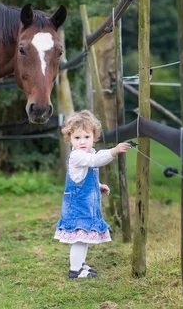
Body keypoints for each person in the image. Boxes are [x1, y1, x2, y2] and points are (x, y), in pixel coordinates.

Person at [54, 110, 132, 279]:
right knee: (80, 239)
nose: (82, 142)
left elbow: (84, 177)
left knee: (85, 237)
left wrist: (98, 186)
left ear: (94, 136)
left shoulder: (89, 153)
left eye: (86, 137)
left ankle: (80, 265)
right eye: (77, 138)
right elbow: (95, 161)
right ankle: (75, 270)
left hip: (86, 206)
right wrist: (114, 151)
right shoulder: (77, 156)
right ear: (69, 139)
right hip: (78, 207)